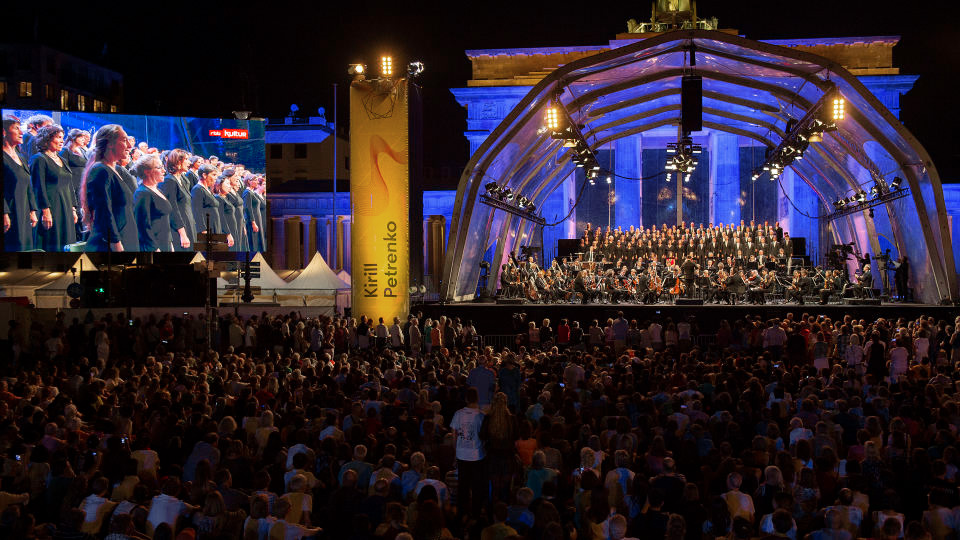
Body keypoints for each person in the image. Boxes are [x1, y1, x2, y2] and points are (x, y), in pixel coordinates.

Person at [81, 124, 131, 252]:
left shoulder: (111, 169)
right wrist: (116, 244)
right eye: (124, 140)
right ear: (110, 143)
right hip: (106, 248)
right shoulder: (101, 170)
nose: (130, 146)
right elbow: (104, 212)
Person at [30, 124, 77, 251]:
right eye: (58, 137)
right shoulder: (39, 159)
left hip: (65, 207)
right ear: (46, 139)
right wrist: (45, 211)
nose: (62, 141)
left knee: (67, 242)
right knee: (53, 241)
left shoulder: (62, 159)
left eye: (63, 137)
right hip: (51, 207)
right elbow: (37, 187)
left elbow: (70, 184)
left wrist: (73, 209)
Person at [132, 154, 188, 252]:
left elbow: (165, 221)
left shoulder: (158, 190)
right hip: (154, 247)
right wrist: (154, 248)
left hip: (165, 243)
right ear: (147, 171)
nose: (164, 171)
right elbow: (143, 227)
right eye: (159, 167)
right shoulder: (142, 193)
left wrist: (170, 243)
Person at [2, 115, 38, 250]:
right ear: (4, 132)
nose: (21, 132)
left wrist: (32, 210)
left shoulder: (21, 157)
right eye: (16, 129)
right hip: (10, 211)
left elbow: (29, 184)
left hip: (23, 210)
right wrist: (4, 213)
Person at [450, 387, 486, 518]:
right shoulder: (481, 416)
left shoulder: (458, 414)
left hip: (462, 454)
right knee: (477, 485)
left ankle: (461, 512)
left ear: (466, 399)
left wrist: (455, 451)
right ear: (477, 399)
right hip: (477, 454)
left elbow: (453, 434)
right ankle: (475, 513)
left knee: (463, 485)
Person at [159, 148, 195, 251]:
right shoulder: (169, 181)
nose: (189, 162)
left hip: (189, 223)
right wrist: (182, 234)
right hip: (179, 228)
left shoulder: (183, 179)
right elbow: (173, 209)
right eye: (186, 159)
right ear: (178, 161)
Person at [191, 164, 229, 247]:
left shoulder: (207, 189)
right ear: (204, 175)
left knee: (218, 254)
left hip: (215, 227)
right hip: (207, 230)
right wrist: (204, 230)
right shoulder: (197, 189)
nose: (216, 178)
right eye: (213, 175)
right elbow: (197, 211)